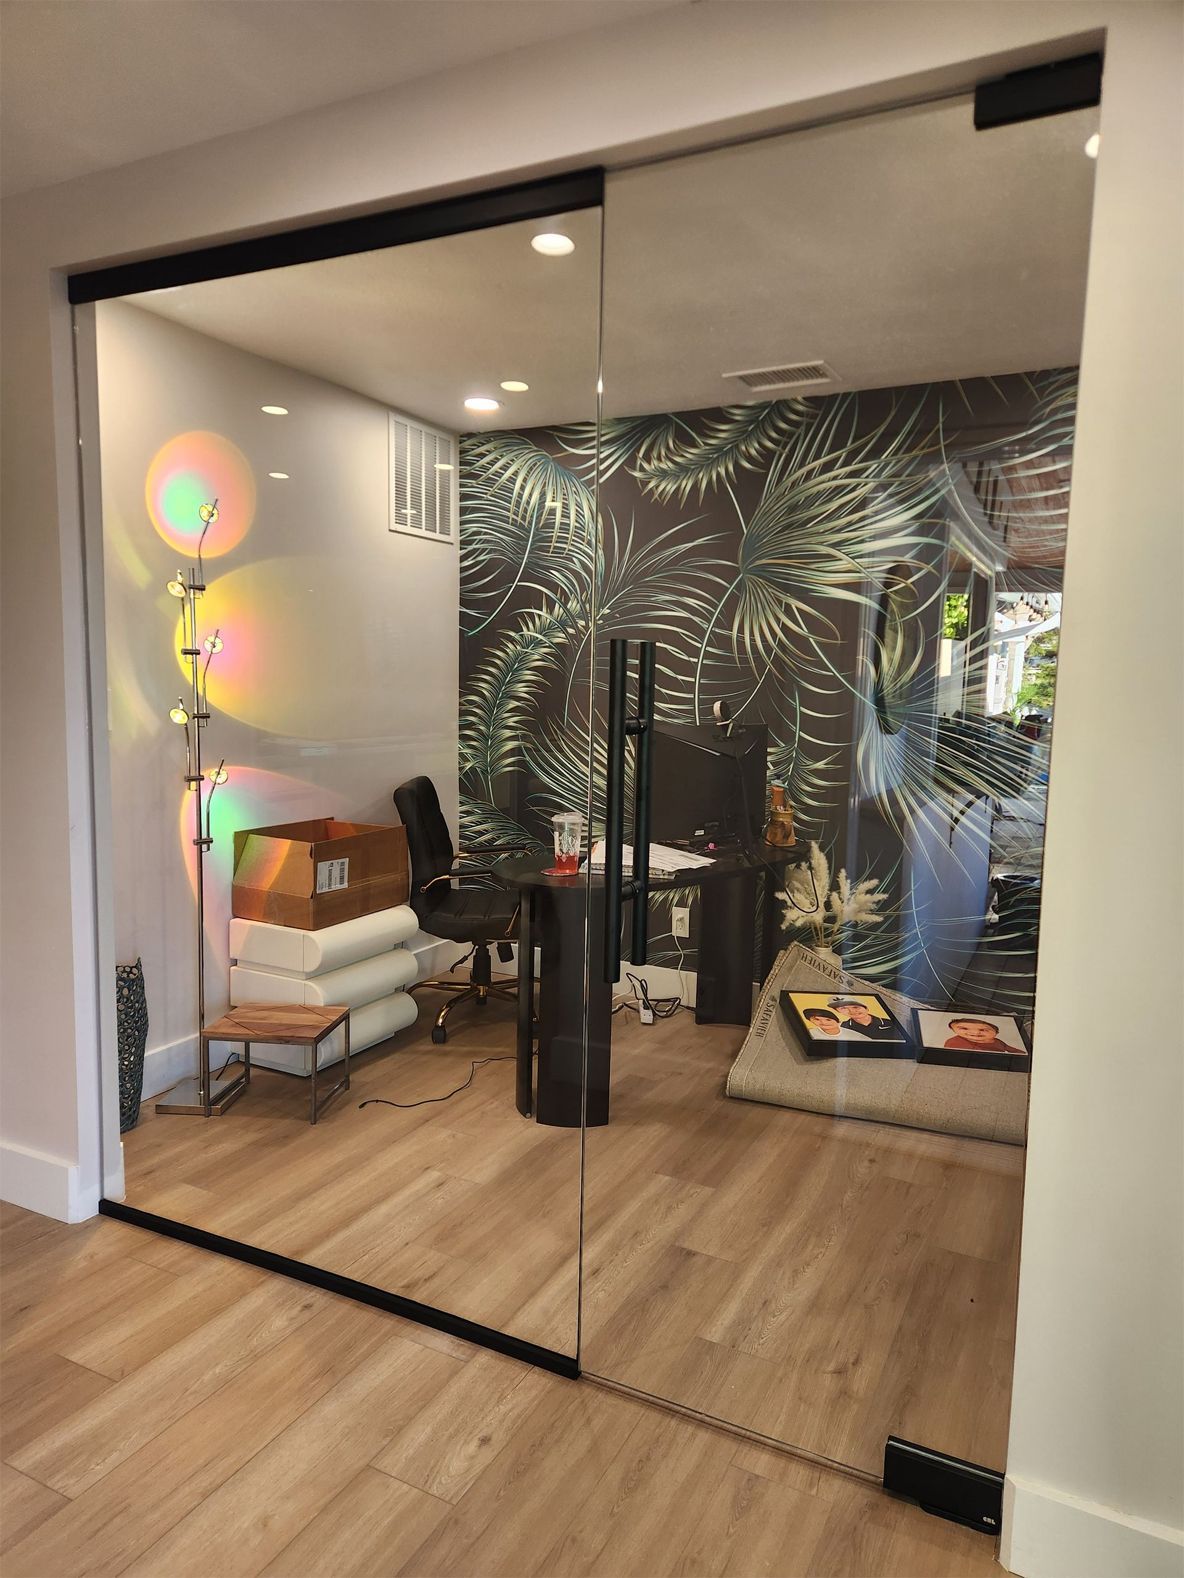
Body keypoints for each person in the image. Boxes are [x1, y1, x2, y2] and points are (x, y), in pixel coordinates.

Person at [943, 1016, 1025, 1054]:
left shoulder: (997, 1041)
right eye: (964, 1029)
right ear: (954, 1030)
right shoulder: (954, 1042)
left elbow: (1011, 1049)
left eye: (983, 1030)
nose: (975, 1033)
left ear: (996, 1032)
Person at [830, 998, 900, 1041]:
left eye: (855, 1007)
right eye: (843, 1008)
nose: (852, 1011)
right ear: (838, 1011)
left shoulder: (891, 1023)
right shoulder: (841, 1027)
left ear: (866, 1008)